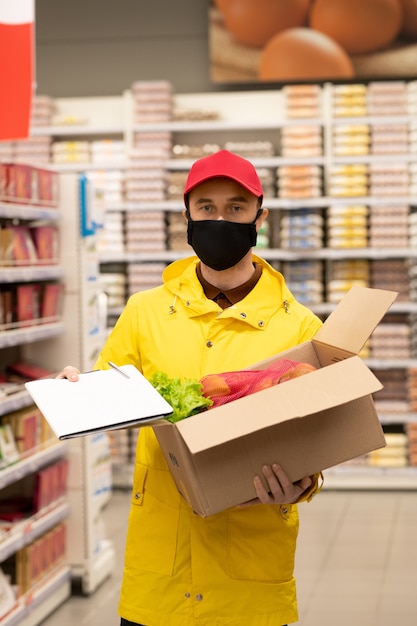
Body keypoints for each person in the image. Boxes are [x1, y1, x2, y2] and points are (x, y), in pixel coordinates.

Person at [59, 149, 324, 626]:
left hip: (249, 578)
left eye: (236, 208)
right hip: (160, 570)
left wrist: (302, 486)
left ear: (260, 217)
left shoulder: (301, 328)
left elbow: (317, 440)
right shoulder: (144, 311)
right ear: (186, 216)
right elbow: (104, 402)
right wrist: (74, 393)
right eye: (206, 207)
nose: (219, 219)